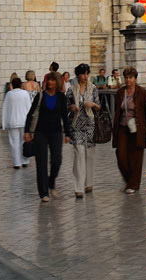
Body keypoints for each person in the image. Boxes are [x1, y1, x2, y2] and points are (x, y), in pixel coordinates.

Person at [24, 69, 71, 202]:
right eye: (48, 80)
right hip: (40, 133)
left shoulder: (61, 97)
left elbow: (64, 116)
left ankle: (51, 181)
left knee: (57, 160)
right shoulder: (40, 96)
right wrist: (27, 131)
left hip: (56, 132)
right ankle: (43, 192)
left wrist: (68, 133)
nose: (50, 82)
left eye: (52, 80)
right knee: (41, 162)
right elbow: (30, 114)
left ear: (57, 82)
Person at [112, 66, 146, 193]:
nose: (128, 80)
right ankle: (130, 179)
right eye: (126, 78)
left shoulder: (142, 92)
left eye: (130, 78)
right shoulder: (120, 93)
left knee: (136, 156)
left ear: (135, 79)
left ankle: (134, 184)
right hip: (123, 126)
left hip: (137, 128)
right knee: (121, 155)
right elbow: (117, 110)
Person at [66, 63, 100, 197]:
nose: (85, 76)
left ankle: (89, 183)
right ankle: (78, 187)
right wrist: (72, 107)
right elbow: (66, 106)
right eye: (82, 74)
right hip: (76, 125)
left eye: (87, 73)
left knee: (89, 154)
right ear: (77, 75)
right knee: (79, 154)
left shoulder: (94, 89)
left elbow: (99, 107)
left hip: (90, 124)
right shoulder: (71, 90)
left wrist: (92, 104)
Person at [2, 76, 32, 168]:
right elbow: (29, 108)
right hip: (24, 121)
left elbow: (5, 109)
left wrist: (4, 124)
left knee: (14, 143)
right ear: (21, 85)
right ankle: (25, 161)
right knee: (24, 141)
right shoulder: (25, 93)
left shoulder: (9, 94)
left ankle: (16, 163)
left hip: (12, 121)